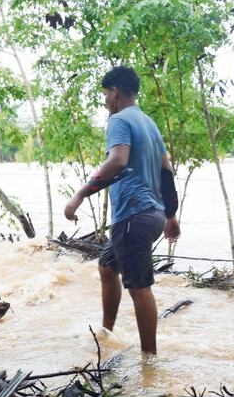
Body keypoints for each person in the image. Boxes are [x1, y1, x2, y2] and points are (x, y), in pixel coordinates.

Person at [63, 65, 180, 356]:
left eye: (104, 93)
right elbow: (166, 170)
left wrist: (79, 194)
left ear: (114, 91)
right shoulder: (148, 123)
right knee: (107, 266)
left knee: (139, 287)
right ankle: (106, 333)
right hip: (151, 214)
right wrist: (170, 214)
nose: (104, 100)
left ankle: (149, 360)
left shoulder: (119, 120)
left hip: (133, 216)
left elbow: (117, 161)